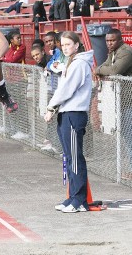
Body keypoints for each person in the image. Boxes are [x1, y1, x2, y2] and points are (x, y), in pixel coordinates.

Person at [44, 31, 94, 213]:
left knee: (75, 158)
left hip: (74, 114)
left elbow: (66, 89)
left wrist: (51, 107)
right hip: (67, 113)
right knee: (69, 157)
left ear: (77, 45)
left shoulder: (79, 64)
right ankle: (73, 197)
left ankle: (79, 200)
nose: (65, 48)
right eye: (62, 45)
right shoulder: (70, 63)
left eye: (68, 44)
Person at [95, 29, 132, 179]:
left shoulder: (126, 52)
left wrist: (99, 70)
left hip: (129, 100)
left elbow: (115, 70)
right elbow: (106, 66)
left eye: (112, 40)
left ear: (120, 40)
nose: (109, 43)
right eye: (107, 41)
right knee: (127, 135)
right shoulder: (113, 52)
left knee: (130, 136)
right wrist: (101, 70)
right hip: (121, 101)